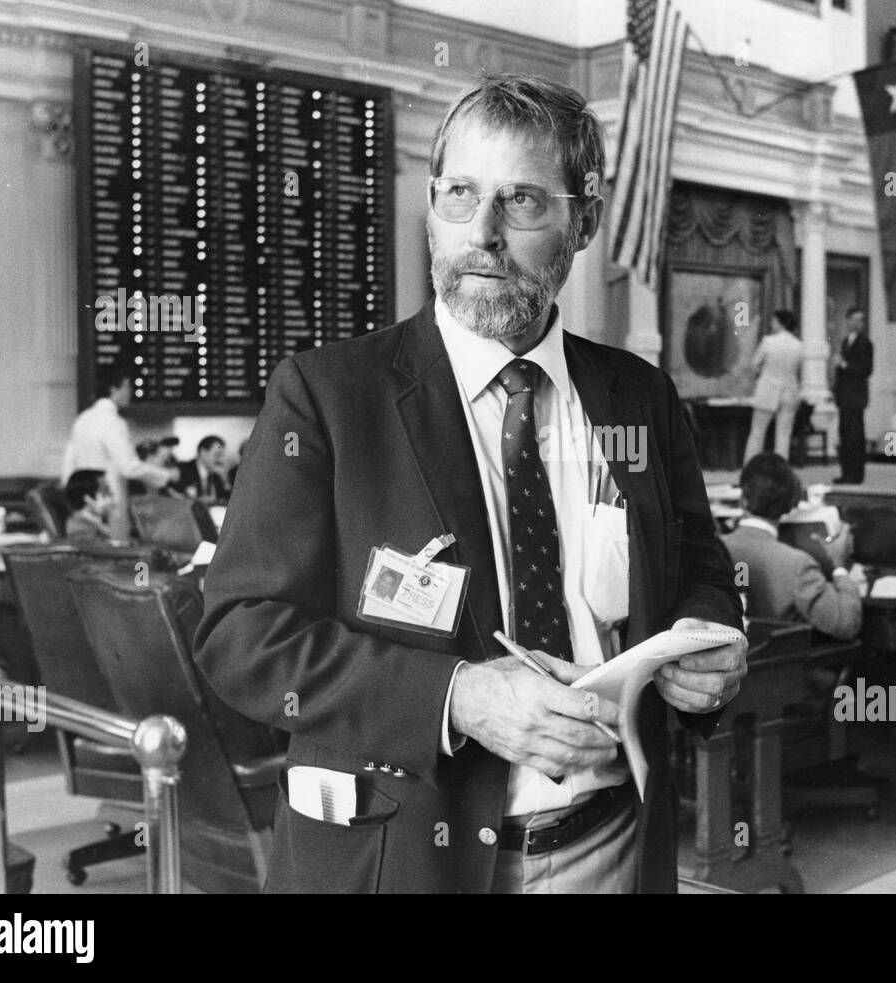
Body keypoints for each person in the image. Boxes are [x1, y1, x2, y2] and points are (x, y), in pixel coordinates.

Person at [194, 74, 747, 895]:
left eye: (522, 201)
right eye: (460, 194)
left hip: (614, 847)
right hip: (403, 857)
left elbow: (697, 566)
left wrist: (708, 644)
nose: (482, 234)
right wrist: (458, 697)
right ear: (430, 207)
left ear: (583, 219)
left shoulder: (639, 397)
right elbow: (241, 634)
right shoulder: (329, 395)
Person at [721, 453, 862, 638]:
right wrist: (840, 568)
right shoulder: (797, 564)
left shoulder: (716, 548)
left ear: (743, 499)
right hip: (781, 662)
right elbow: (846, 624)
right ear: (789, 505)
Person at [60, 362, 175, 540]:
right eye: (128, 386)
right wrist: (167, 475)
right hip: (111, 500)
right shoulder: (113, 422)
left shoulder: (83, 419)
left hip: (85, 502)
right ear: (114, 389)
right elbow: (129, 467)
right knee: (116, 551)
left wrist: (75, 500)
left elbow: (68, 463)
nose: (130, 391)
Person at [742, 309, 803, 464]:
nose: (771, 324)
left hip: (768, 390)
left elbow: (754, 364)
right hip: (789, 391)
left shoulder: (768, 341)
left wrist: (762, 374)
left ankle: (750, 467)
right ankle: (781, 471)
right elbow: (798, 369)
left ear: (781, 323)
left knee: (757, 432)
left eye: (774, 321)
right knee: (784, 435)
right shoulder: (798, 345)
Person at [831, 307, 872, 484]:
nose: (857, 323)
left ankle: (856, 474)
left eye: (860, 320)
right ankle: (846, 472)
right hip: (844, 397)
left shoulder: (865, 343)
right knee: (845, 436)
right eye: (853, 319)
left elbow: (866, 369)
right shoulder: (846, 341)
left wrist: (844, 364)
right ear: (847, 321)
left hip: (855, 397)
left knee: (855, 437)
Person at [173, 435, 230, 502]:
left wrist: (225, 480)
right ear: (203, 452)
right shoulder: (181, 469)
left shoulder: (217, 475)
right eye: (217, 455)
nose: (221, 460)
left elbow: (226, 500)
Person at [63, 469, 114, 542]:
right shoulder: (80, 528)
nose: (111, 495)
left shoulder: (98, 521)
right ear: (88, 499)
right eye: (105, 491)